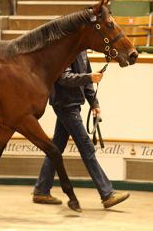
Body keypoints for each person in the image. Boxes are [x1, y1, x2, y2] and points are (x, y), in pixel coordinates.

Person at [32, 51, 130, 209]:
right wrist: (89, 77)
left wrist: (94, 103)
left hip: (72, 104)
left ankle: (41, 190)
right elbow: (64, 78)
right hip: (65, 105)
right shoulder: (64, 51)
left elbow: (87, 81)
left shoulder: (82, 52)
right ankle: (107, 194)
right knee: (86, 147)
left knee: (56, 148)